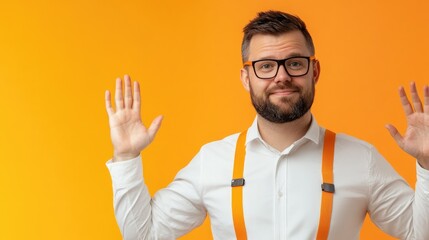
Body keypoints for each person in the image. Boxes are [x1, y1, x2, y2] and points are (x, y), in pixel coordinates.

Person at [105, 10, 429, 240]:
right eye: (265, 66)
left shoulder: (361, 159)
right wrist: (126, 158)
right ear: (246, 78)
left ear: (314, 71)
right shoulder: (212, 162)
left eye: (295, 63)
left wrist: (428, 163)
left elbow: (419, 233)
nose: (281, 76)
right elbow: (144, 234)